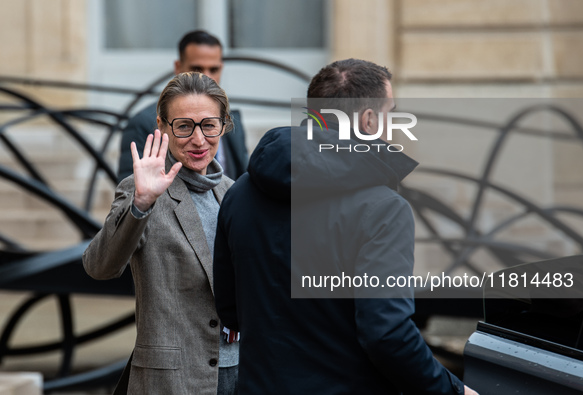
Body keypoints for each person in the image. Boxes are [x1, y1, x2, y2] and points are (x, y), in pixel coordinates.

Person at [213, 59, 479, 394]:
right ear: (369, 120)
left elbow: (230, 311)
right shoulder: (384, 209)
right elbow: (386, 333)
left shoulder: (239, 193)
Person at [84, 72, 238, 395]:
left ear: (223, 126)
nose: (198, 140)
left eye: (209, 125)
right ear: (162, 126)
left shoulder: (233, 193)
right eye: (184, 126)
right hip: (172, 381)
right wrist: (142, 203)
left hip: (238, 373)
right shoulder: (143, 190)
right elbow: (99, 266)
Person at [118, 30, 248, 182]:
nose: (206, 77)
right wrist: (142, 202)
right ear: (178, 67)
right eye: (197, 69)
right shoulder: (143, 123)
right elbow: (129, 192)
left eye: (214, 69)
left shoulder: (232, 119)